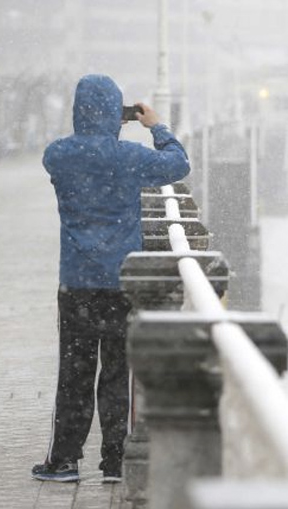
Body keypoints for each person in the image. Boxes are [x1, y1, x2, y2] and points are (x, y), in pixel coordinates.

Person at [32, 74, 190, 483]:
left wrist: (99, 131)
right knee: (118, 372)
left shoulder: (58, 155)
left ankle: (64, 460)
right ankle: (116, 461)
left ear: (77, 111)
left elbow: (73, 154)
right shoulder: (130, 157)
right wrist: (156, 126)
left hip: (77, 282)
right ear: (116, 114)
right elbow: (179, 164)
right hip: (122, 281)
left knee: (74, 374)